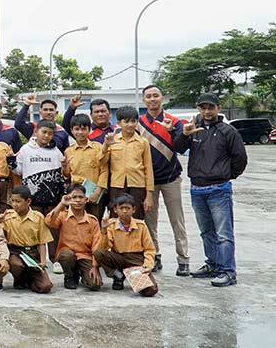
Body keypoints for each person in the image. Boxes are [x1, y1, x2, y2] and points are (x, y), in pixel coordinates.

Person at [173, 93, 247, 287]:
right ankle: (213, 264)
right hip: (197, 189)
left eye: (210, 107)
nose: (206, 111)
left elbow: (240, 158)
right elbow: (178, 148)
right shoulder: (194, 130)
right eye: (203, 107)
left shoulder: (228, 131)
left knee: (224, 233)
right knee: (206, 232)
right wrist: (185, 134)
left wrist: (225, 175)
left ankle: (228, 272)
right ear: (199, 109)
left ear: (218, 108)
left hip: (219, 189)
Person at [140, 84, 190, 276]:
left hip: (171, 179)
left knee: (177, 220)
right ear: (144, 100)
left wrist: (172, 132)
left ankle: (183, 259)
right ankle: (154, 256)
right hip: (148, 182)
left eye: (156, 96)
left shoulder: (174, 122)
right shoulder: (139, 123)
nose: (152, 99)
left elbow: (180, 147)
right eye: (148, 96)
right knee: (149, 222)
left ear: (162, 98)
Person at [94, 193, 158, 296]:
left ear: (134, 209)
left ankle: (131, 276)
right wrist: (104, 231)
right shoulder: (111, 225)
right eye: (121, 208)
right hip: (118, 258)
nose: (124, 211)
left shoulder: (141, 225)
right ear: (115, 210)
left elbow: (149, 249)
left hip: (136, 261)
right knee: (99, 252)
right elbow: (104, 248)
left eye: (127, 208)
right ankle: (117, 275)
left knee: (150, 291)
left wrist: (147, 265)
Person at [45, 184, 103, 291]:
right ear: (68, 199)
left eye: (80, 197)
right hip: (67, 255)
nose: (77, 200)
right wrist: (61, 205)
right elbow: (49, 222)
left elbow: (96, 245)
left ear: (86, 199)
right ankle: (69, 275)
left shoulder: (93, 220)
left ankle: (82, 274)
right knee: (67, 255)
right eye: (74, 197)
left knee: (95, 285)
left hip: (85, 256)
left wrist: (95, 267)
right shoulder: (62, 215)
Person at [0, 185, 53, 294]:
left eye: (18, 201)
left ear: (28, 201)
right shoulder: (8, 216)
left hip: (32, 253)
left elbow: (42, 242)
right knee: (16, 265)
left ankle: (30, 279)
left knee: (45, 287)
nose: (14, 204)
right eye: (12, 201)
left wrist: (42, 261)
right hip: (15, 251)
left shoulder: (37, 217)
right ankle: (19, 279)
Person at [103, 106, 154, 221]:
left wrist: (149, 195)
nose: (130, 125)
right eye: (126, 121)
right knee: (115, 218)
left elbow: (148, 168)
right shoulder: (112, 140)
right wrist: (106, 145)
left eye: (133, 121)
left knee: (136, 218)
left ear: (137, 122)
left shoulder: (143, 142)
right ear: (119, 123)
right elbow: (101, 161)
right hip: (117, 185)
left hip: (137, 185)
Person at [13, 120, 65, 217]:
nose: (46, 136)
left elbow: (61, 175)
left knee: (52, 229)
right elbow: (18, 171)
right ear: (36, 132)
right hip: (32, 200)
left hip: (52, 201)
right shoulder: (26, 149)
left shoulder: (56, 151)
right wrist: (10, 161)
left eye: (50, 133)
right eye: (44, 132)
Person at [63, 114, 108, 218]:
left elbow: (104, 170)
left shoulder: (98, 148)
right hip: (76, 194)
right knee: (75, 222)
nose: (80, 132)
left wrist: (98, 191)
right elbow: (67, 174)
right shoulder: (69, 151)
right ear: (72, 130)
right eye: (77, 129)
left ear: (89, 130)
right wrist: (64, 167)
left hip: (94, 193)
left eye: (83, 129)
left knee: (94, 220)